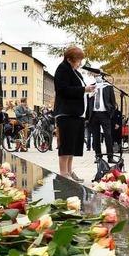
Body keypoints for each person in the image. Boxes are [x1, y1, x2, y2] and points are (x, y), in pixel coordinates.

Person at [54, 46, 95, 181]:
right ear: (69, 59)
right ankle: (63, 173)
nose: (80, 63)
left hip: (76, 114)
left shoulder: (74, 71)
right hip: (66, 113)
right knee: (65, 145)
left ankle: (69, 171)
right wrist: (84, 89)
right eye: (78, 60)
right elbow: (63, 90)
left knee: (71, 145)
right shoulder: (62, 70)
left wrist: (87, 90)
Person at [87, 76, 117, 163]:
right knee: (96, 137)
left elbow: (113, 101)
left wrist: (110, 113)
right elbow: (88, 101)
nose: (97, 77)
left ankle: (110, 157)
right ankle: (98, 157)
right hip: (94, 114)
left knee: (108, 135)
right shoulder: (91, 86)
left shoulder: (107, 87)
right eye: (95, 76)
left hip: (105, 114)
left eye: (98, 75)